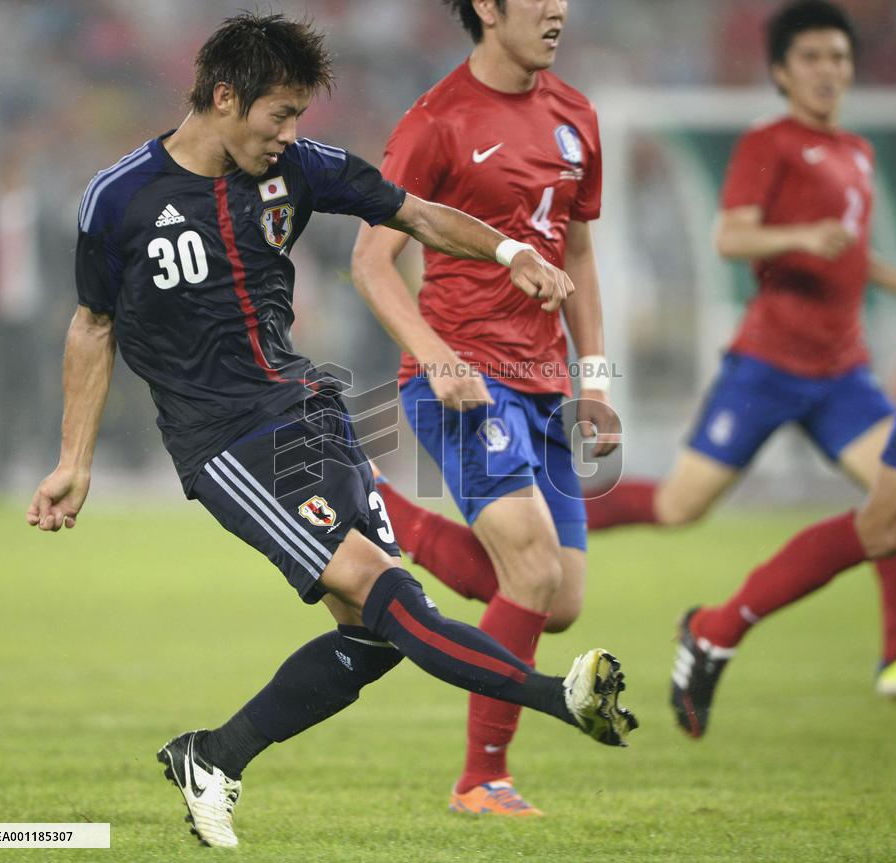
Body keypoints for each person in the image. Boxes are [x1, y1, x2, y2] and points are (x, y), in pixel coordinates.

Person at [24, 13, 636, 849]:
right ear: (224, 97)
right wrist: (74, 460)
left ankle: (215, 756)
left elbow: (418, 215)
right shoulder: (120, 196)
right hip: (226, 441)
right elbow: (92, 326)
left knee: (376, 636)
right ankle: (556, 696)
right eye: (280, 114)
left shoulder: (299, 168)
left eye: (298, 117)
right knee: (392, 596)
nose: (289, 134)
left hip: (310, 413)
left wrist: (509, 254)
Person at [351, 0, 618, 816]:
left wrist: (596, 380)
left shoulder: (577, 116)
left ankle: (384, 511)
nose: (557, 8)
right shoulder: (435, 122)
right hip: (463, 378)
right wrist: (435, 354)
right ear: (487, 9)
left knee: (559, 599)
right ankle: (480, 777)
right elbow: (371, 261)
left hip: (546, 382)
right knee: (531, 568)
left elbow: (576, 251)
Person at [671, 131, 896, 737]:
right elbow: (731, 239)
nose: (830, 80)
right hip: (768, 364)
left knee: (890, 515)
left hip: (840, 371)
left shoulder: (858, 152)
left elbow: (852, 252)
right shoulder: (768, 144)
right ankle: (712, 626)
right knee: (680, 504)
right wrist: (798, 237)